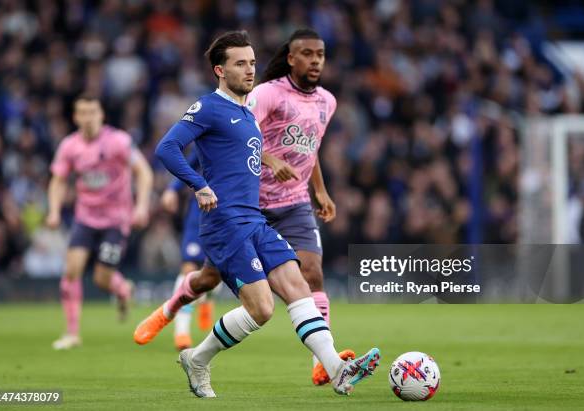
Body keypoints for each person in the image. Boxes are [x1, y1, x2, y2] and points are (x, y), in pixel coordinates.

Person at [151, 30, 379, 398]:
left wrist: (315, 186)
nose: (249, 69)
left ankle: (336, 368)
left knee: (298, 285)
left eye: (253, 62)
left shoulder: (246, 112)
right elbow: (168, 147)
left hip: (253, 219)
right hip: (225, 224)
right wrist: (199, 185)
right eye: (240, 63)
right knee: (262, 309)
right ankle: (198, 359)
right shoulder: (209, 107)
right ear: (219, 70)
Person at [47, 94, 153, 350]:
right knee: (71, 271)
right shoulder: (69, 146)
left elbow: (144, 172)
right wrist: (53, 210)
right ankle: (72, 333)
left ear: (101, 115)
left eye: (92, 112)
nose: (88, 118)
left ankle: (122, 289)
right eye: (83, 113)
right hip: (85, 218)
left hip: (116, 220)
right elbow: (58, 180)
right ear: (75, 117)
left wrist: (141, 206)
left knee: (101, 278)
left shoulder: (119, 141)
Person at [160, 148, 219, 350]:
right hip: (200, 213)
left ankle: (207, 299)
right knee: (189, 268)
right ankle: (182, 332)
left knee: (217, 271)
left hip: (229, 214)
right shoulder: (207, 138)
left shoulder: (245, 136)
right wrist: (172, 189)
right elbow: (188, 164)